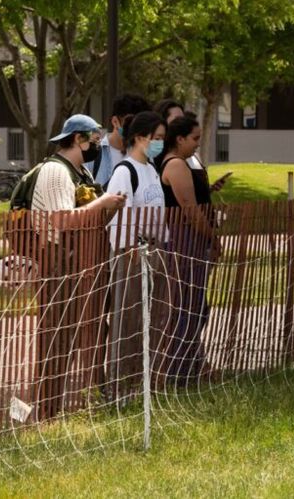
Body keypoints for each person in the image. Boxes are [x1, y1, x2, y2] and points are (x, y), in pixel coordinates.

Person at [30, 115, 126, 419]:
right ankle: (46, 414)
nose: (97, 145)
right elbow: (63, 219)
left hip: (79, 261)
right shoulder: (57, 172)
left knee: (88, 332)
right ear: (77, 139)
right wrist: (103, 202)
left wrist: (106, 208)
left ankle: (84, 403)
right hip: (58, 263)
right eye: (94, 140)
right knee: (57, 340)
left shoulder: (80, 171)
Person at [104, 111, 169, 393]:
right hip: (131, 254)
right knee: (127, 320)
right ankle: (120, 385)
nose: (160, 143)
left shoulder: (152, 168)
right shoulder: (124, 171)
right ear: (141, 138)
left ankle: (143, 382)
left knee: (150, 320)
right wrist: (129, 247)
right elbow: (120, 216)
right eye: (156, 138)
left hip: (153, 251)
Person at [158, 115, 223, 385]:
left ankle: (187, 365)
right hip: (186, 241)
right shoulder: (176, 165)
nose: (198, 144)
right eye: (194, 138)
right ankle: (179, 370)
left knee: (196, 305)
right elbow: (190, 209)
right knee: (189, 305)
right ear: (180, 139)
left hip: (188, 240)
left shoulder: (180, 163)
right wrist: (212, 238)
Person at [87, 94, 152, 188]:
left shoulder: (146, 154)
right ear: (115, 122)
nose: (136, 129)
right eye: (130, 123)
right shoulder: (93, 153)